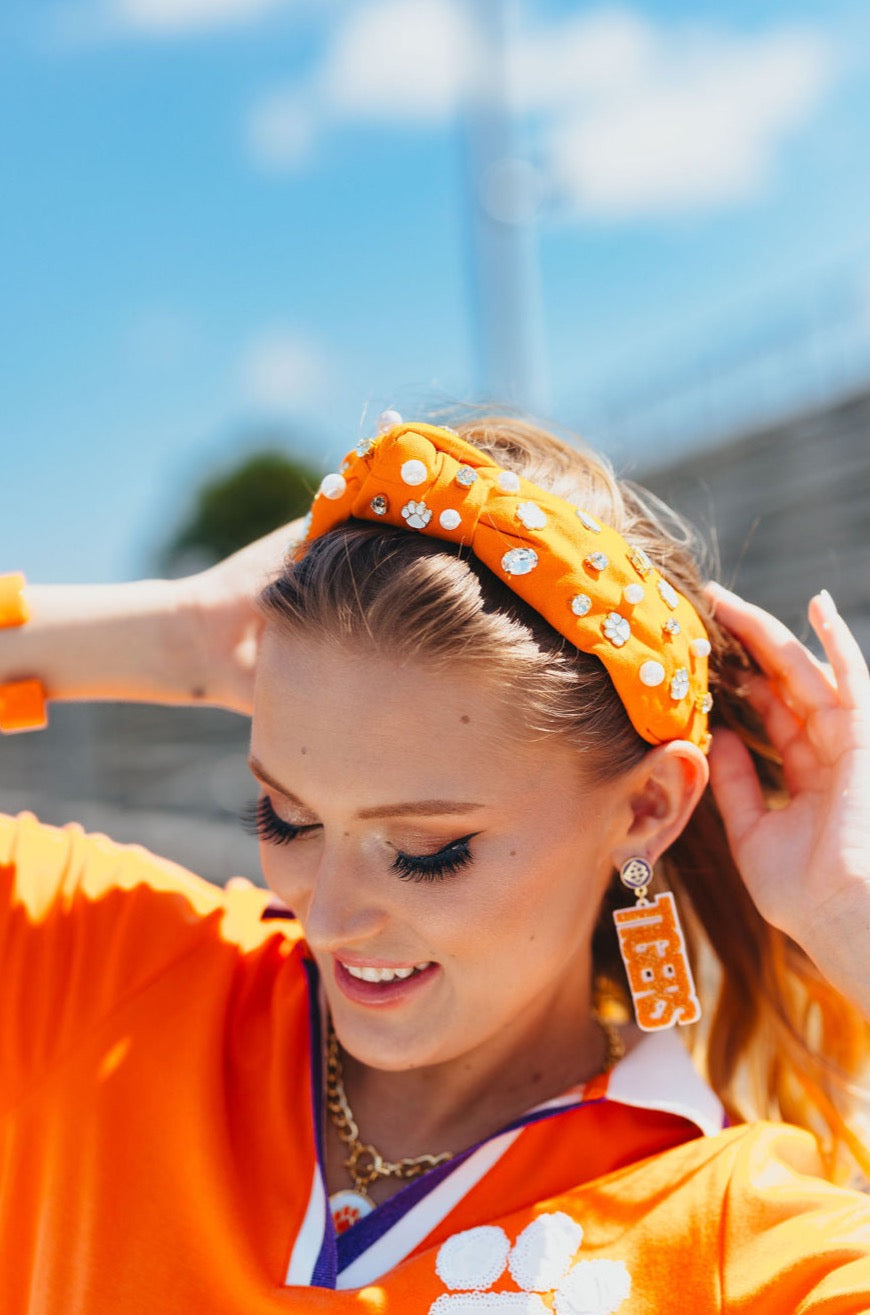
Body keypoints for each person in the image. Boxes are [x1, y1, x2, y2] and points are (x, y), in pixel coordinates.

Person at [1, 413, 869, 1314]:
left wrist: (855, 919)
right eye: (286, 816)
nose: (329, 915)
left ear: (647, 807)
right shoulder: (109, 980)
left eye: (427, 852)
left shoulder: (736, 1240)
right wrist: (171, 635)